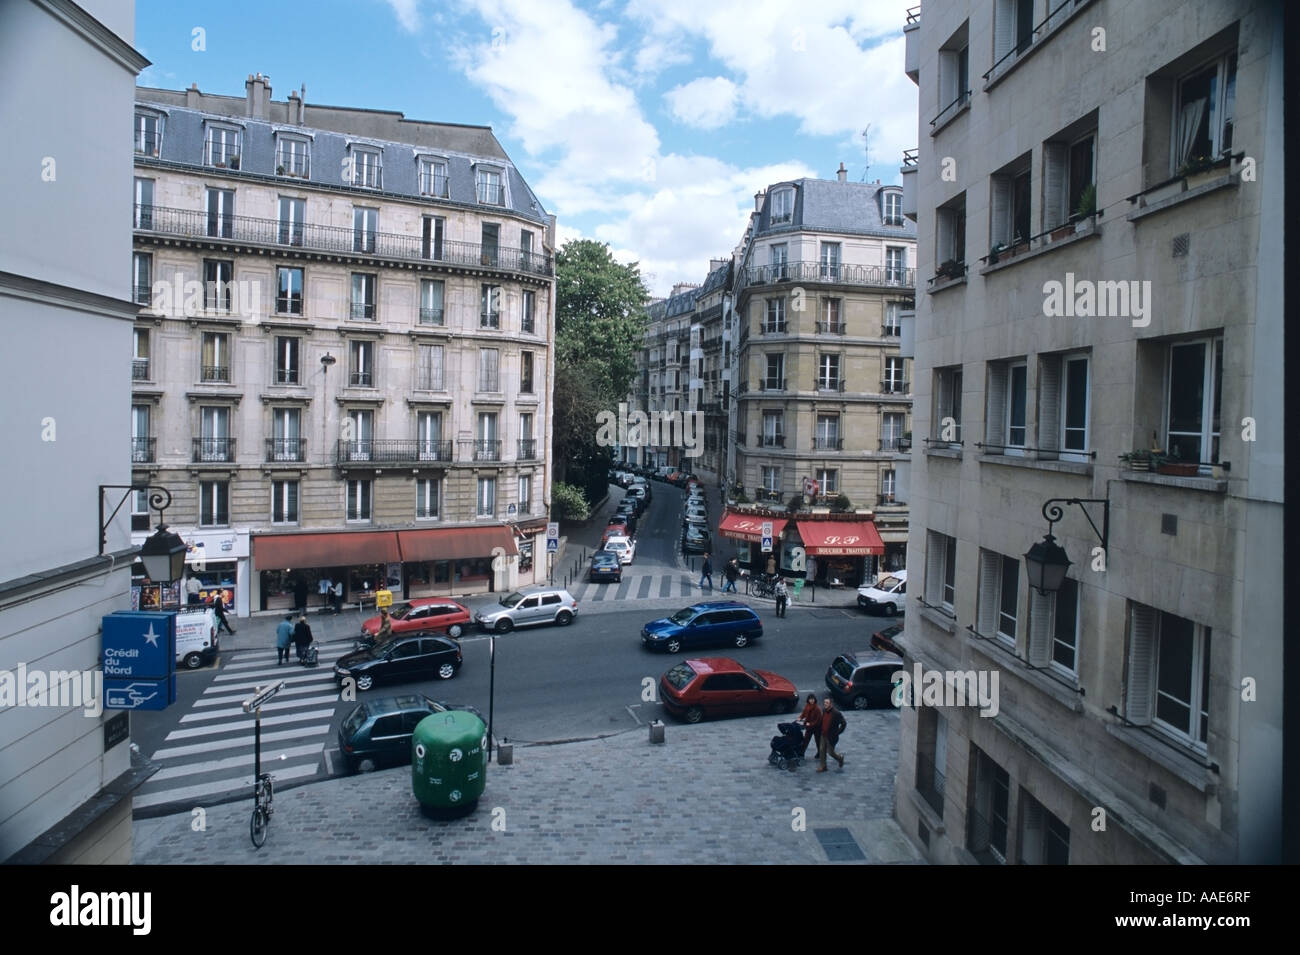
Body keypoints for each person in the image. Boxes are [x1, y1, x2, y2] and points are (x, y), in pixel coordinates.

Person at [816, 696, 847, 772]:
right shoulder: (823, 710)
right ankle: (823, 766)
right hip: (823, 734)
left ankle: (840, 758)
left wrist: (838, 732)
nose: (825, 704)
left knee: (830, 752)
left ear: (831, 704)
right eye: (824, 703)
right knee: (821, 750)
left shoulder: (836, 713)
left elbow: (844, 723)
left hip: (831, 737)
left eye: (827, 703)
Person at [797, 694, 822, 759]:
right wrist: (800, 717)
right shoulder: (807, 706)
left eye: (813, 699)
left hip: (817, 728)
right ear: (808, 700)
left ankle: (820, 753)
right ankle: (802, 753)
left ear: (815, 700)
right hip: (809, 727)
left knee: (818, 741)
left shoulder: (817, 709)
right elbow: (804, 713)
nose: (811, 701)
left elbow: (818, 721)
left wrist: (810, 724)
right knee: (805, 740)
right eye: (810, 699)